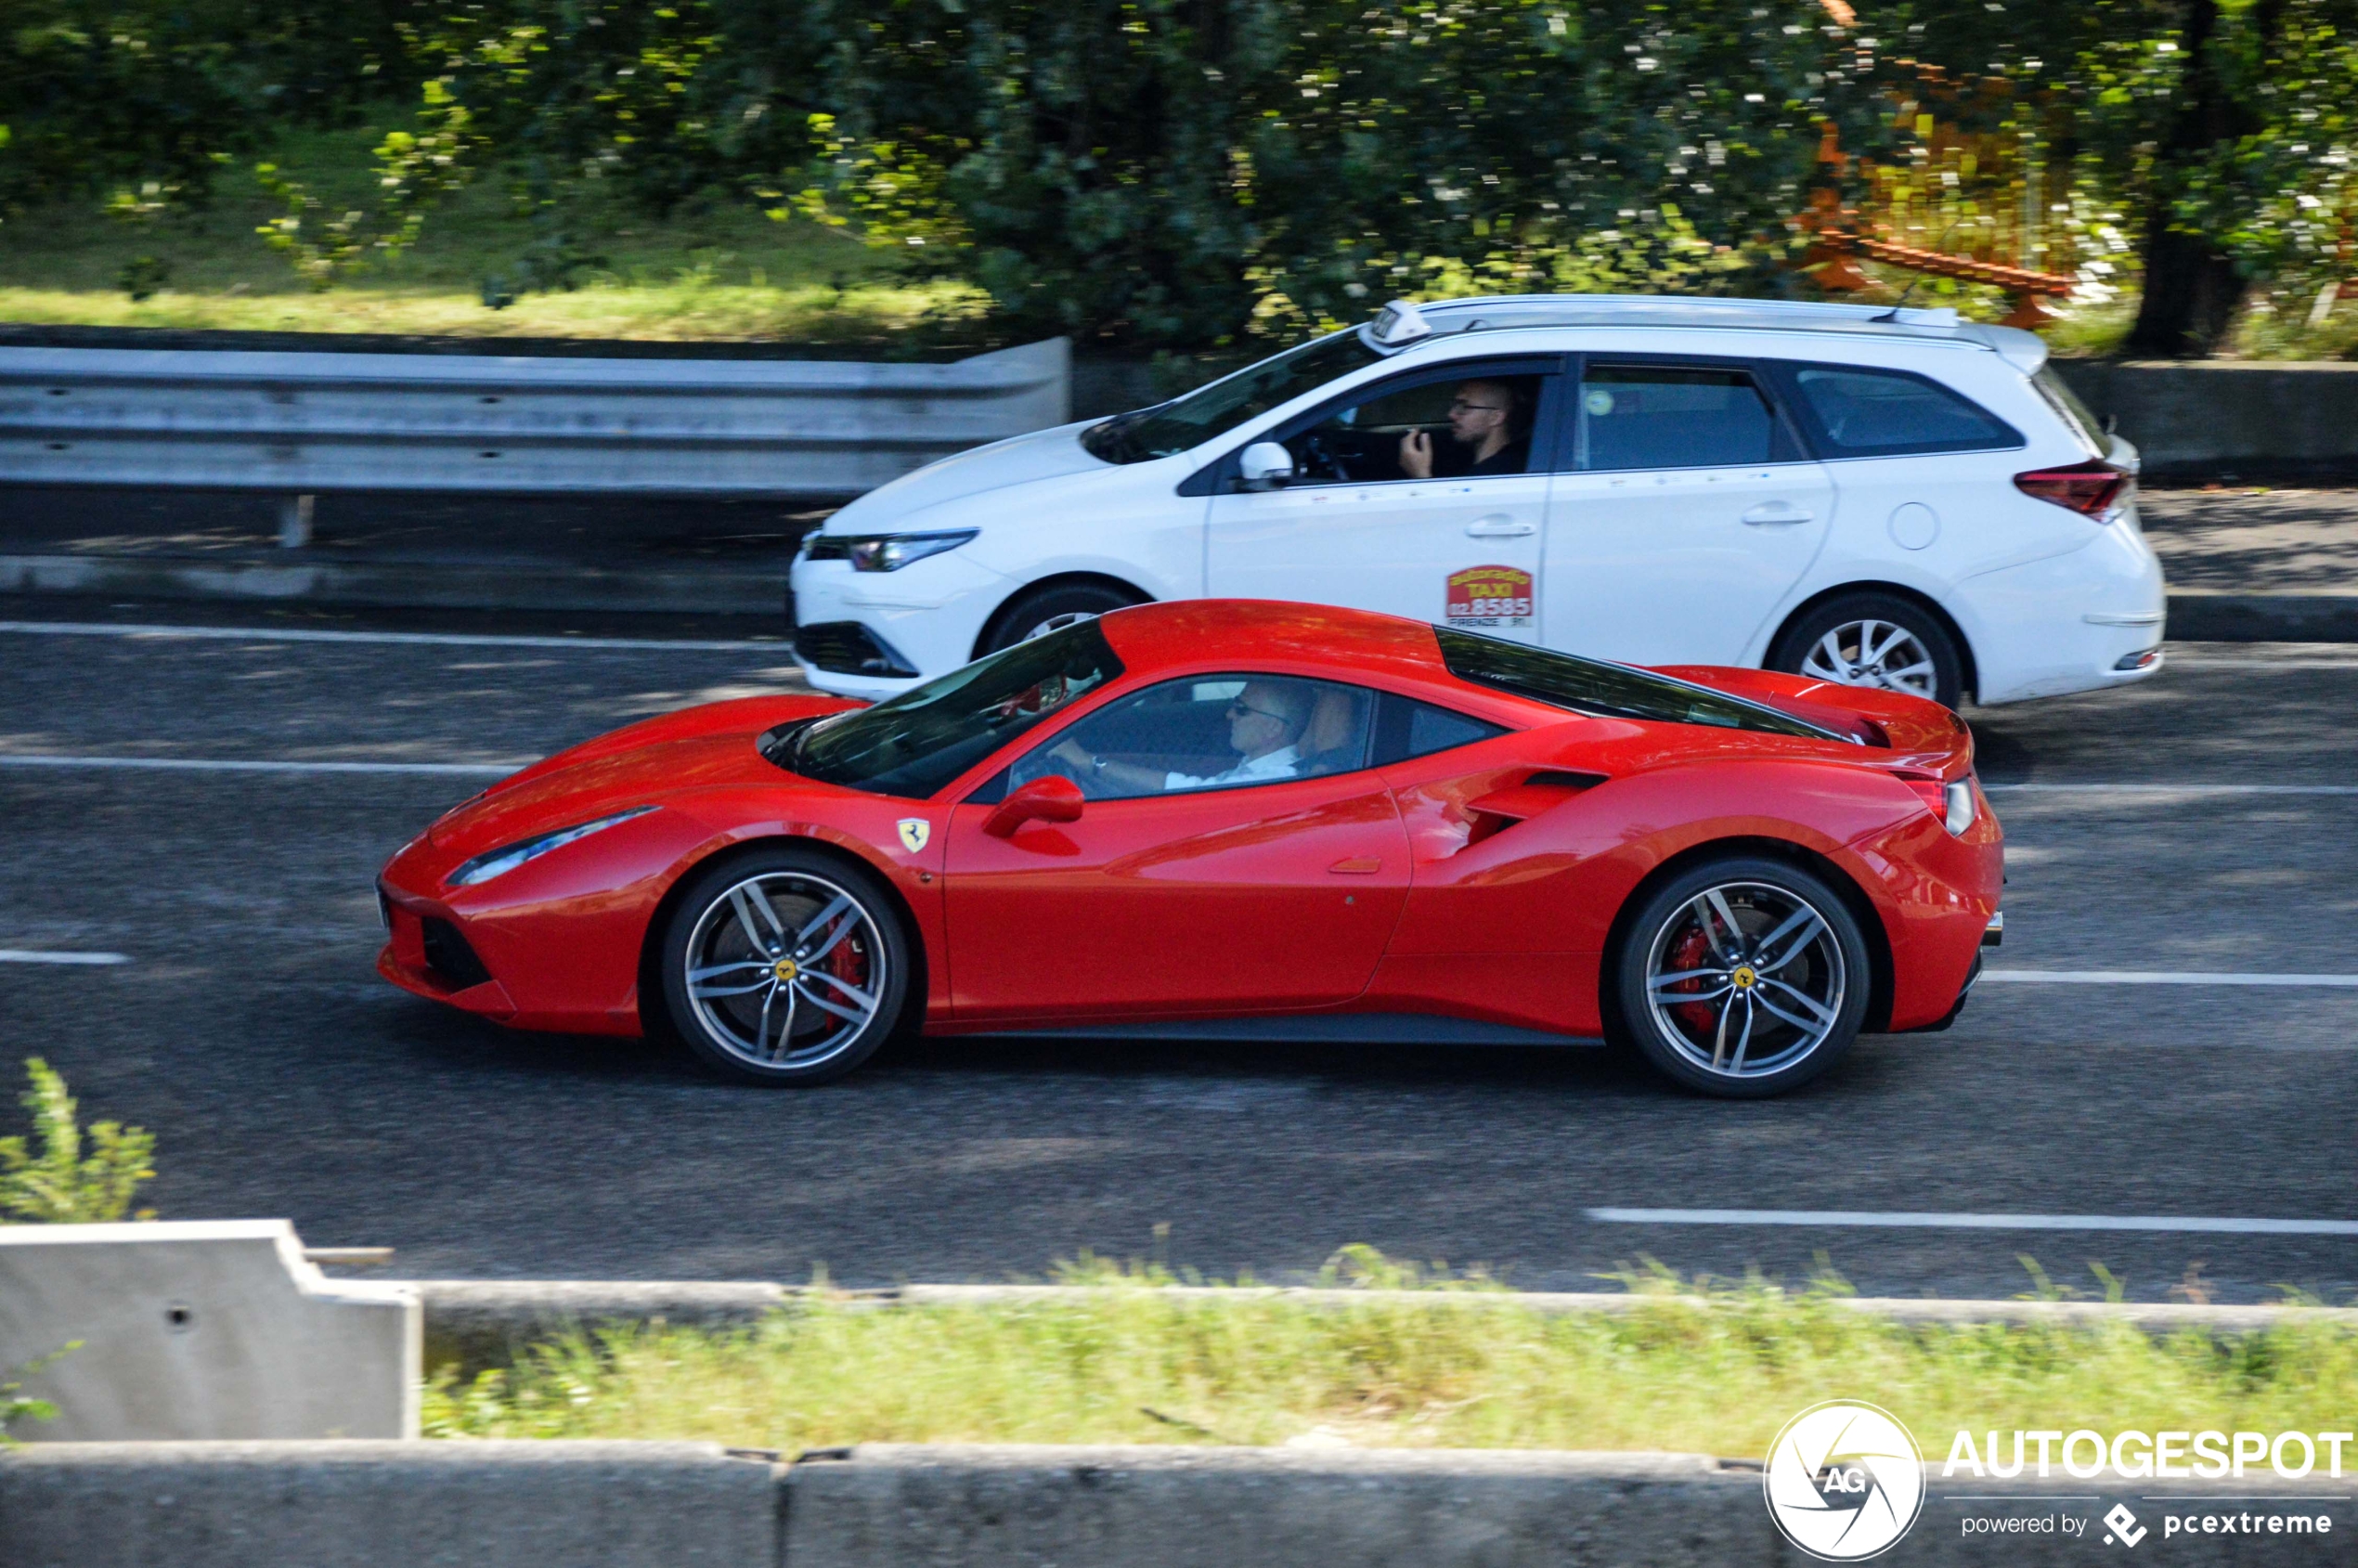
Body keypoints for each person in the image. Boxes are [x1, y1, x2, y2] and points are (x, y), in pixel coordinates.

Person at [1048, 680, 1310, 795]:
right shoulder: (1262, 767)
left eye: (1241, 709)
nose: (1230, 714)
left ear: (1273, 729)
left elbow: (1192, 792)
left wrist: (1087, 763)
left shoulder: (1269, 780)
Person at [1398, 379, 1528, 479]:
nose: (1452, 414)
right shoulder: (1478, 464)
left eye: (1465, 407)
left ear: (1495, 417)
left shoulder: (1500, 474)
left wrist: (1420, 475)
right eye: (1455, 405)